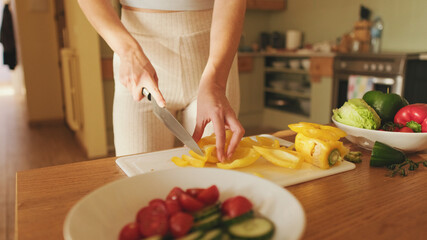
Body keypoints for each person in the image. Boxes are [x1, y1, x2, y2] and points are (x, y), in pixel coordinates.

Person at [77, 0, 246, 162]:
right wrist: (128, 52)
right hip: (138, 68)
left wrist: (216, 83)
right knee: (138, 180)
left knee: (215, 174)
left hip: (214, 65)